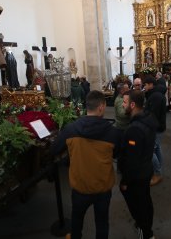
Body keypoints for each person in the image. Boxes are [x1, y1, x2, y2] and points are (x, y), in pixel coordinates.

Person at [52, 90, 121, 239]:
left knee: (77, 221)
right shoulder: (113, 133)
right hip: (102, 187)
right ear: (102, 107)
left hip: (80, 187)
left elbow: (54, 149)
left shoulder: (70, 129)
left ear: (86, 107)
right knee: (102, 222)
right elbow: (116, 155)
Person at [119, 90, 157, 239]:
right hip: (146, 170)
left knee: (139, 206)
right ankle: (145, 225)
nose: (122, 104)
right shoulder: (148, 117)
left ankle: (146, 233)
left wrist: (125, 181)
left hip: (137, 176)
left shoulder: (134, 129)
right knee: (145, 201)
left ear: (133, 104)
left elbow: (132, 161)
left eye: (124, 102)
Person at [143, 76, 166, 186]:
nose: (144, 87)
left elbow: (153, 114)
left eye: (145, 85)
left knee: (149, 151)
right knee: (157, 149)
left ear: (151, 84)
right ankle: (159, 169)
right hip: (158, 126)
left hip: (155, 127)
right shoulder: (156, 94)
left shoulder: (155, 96)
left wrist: (146, 123)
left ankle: (158, 173)